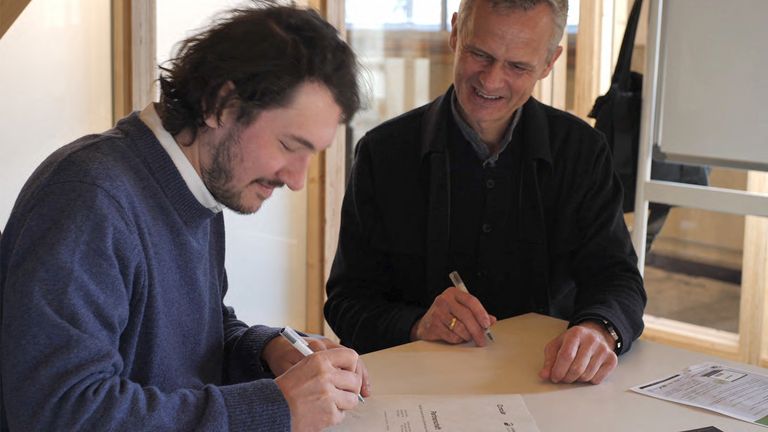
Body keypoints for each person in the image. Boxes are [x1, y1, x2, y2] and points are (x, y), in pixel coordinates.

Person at [0, 4, 370, 432]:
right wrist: (273, 407)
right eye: (289, 145)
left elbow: (192, 342)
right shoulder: (89, 200)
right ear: (220, 103)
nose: (298, 179)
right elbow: (60, 412)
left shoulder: (194, 186)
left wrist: (266, 349)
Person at [325, 0, 647, 386]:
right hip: (414, 390)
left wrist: (598, 330)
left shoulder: (583, 151)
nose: (491, 81)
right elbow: (346, 301)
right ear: (456, 32)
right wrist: (416, 323)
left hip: (549, 386)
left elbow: (618, 278)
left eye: (518, 66)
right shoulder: (383, 152)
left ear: (549, 62)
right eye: (480, 54)